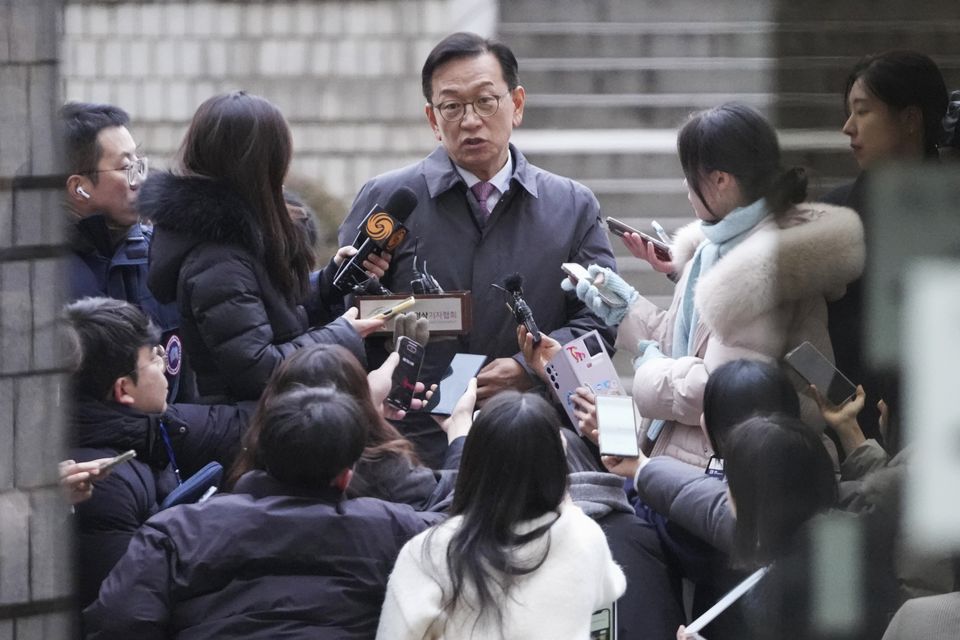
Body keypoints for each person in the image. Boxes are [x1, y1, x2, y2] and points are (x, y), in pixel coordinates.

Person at [339, 31, 618, 466]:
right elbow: (346, 323)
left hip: (534, 439)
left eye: (486, 101)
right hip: (412, 447)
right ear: (433, 119)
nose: (470, 120)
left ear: (517, 104)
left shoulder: (572, 205)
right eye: (452, 106)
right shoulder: (387, 198)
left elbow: (600, 324)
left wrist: (531, 370)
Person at [567, 102, 864, 467]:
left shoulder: (761, 272)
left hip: (743, 472)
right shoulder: (715, 247)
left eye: (691, 174)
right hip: (700, 456)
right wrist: (626, 306)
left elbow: (718, 393)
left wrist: (649, 371)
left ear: (721, 180)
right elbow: (689, 346)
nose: (685, 185)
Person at [85, 386, 441, 639]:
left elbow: (118, 622)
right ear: (347, 474)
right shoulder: (393, 527)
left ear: (258, 449)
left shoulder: (176, 532)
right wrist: (460, 442)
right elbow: (465, 529)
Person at [141, 91, 385, 404]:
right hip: (250, 433)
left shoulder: (236, 237)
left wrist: (328, 284)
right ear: (261, 164)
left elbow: (269, 317)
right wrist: (342, 335)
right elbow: (258, 369)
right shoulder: (218, 258)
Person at [377, 391, 625, 639]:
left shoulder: (429, 552)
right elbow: (611, 586)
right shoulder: (583, 535)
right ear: (557, 465)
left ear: (473, 461)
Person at [65, 297, 249, 609]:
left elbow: (228, 427)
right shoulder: (102, 484)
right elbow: (127, 604)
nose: (166, 368)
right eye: (154, 359)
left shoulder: (148, 426)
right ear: (124, 389)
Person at [821, 50, 948, 437]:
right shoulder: (832, 216)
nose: (848, 127)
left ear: (910, 119)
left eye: (862, 111)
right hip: (849, 433)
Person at [227, 343, 474, 511]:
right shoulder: (382, 475)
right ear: (346, 478)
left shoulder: (247, 481)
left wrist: (368, 411)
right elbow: (453, 507)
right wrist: (461, 433)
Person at [60, 102, 190, 401]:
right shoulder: (33, 275)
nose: (140, 179)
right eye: (125, 167)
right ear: (78, 187)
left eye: (139, 163)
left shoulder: (161, 254)